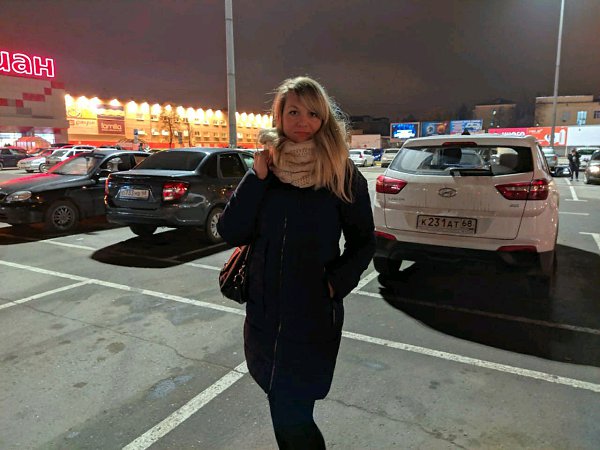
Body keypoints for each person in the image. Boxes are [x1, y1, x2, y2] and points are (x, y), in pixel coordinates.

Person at [217, 76, 375, 449]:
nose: (303, 121)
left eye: (312, 113)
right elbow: (231, 231)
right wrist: (255, 179)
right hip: (265, 315)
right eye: (293, 112)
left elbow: (363, 242)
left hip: (312, 315)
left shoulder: (341, 172)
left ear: (324, 119)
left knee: (293, 412)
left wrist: (334, 284)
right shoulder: (265, 171)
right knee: (282, 404)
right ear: (279, 116)